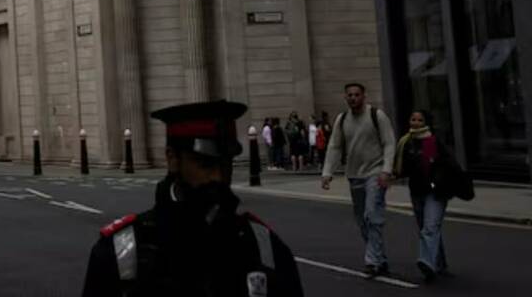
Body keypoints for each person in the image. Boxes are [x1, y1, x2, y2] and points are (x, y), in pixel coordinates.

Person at [81, 100, 303, 296]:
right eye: (205, 163)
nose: (218, 176)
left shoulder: (265, 250)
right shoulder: (123, 254)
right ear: (172, 159)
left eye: (225, 163)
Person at [321, 82, 396, 279]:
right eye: (350, 95)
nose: (353, 98)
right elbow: (335, 146)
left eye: (357, 94)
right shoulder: (342, 119)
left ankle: (372, 261)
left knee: (372, 216)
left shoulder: (377, 116)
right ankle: (380, 259)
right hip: (354, 175)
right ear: (345, 97)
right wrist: (327, 172)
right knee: (362, 220)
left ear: (364, 96)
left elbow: (389, 143)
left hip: (375, 172)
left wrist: (386, 170)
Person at [393, 110, 466, 283]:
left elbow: (451, 163)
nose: (416, 123)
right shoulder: (405, 142)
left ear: (426, 123)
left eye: (420, 120)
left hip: (436, 192)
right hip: (416, 191)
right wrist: (391, 176)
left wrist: (445, 178)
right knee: (427, 229)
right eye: (413, 119)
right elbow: (403, 168)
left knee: (430, 228)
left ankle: (426, 262)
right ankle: (439, 264)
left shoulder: (434, 141)